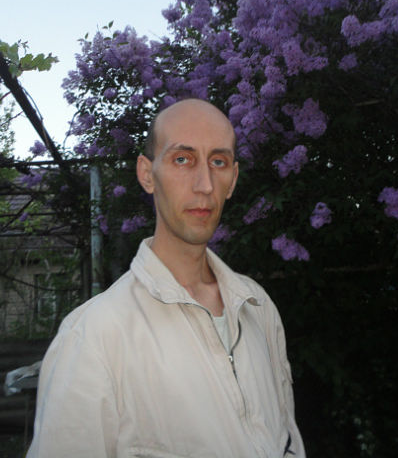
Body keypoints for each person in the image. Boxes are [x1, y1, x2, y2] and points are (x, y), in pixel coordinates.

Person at [27, 99, 305, 457]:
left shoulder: (258, 307)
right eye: (182, 159)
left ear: (233, 180)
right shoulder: (93, 337)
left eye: (218, 162)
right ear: (147, 174)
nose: (205, 185)